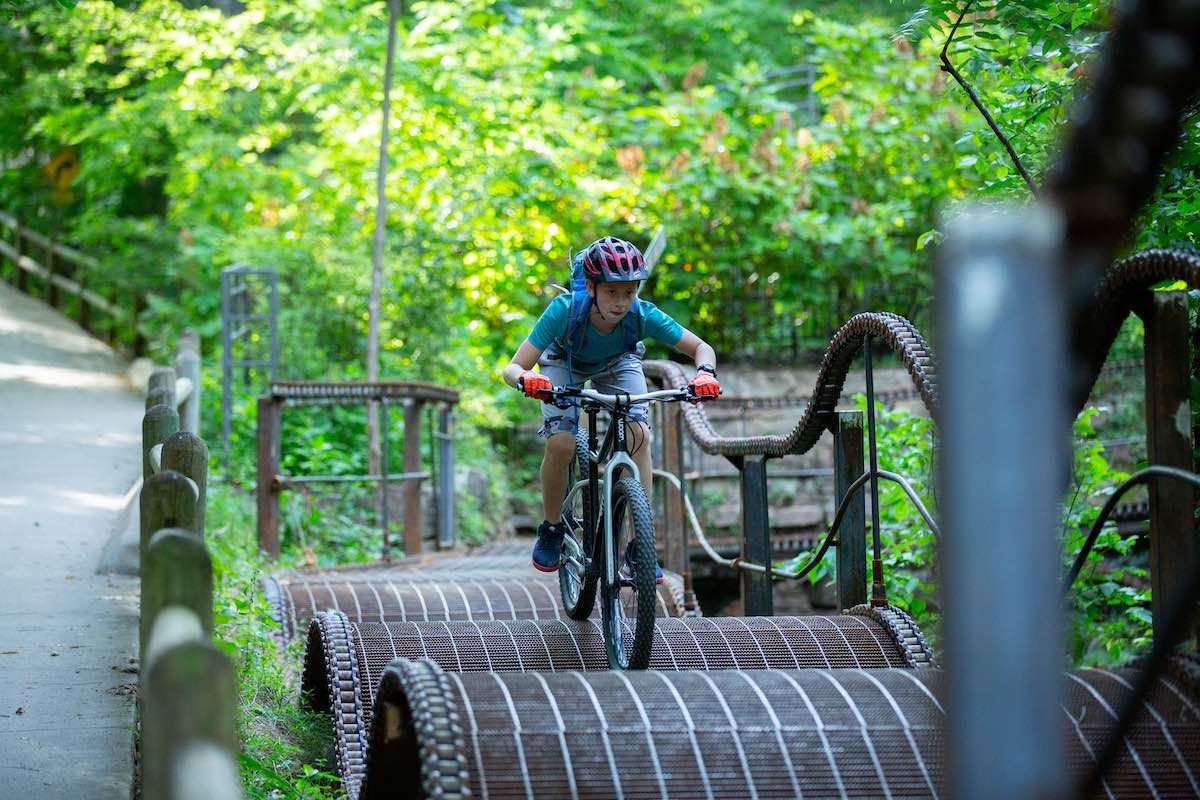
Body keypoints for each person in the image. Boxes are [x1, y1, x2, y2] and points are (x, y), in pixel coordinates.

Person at [501, 236, 720, 574]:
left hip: (618, 362)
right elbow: (513, 367)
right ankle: (552, 528)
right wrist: (526, 379)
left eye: (629, 292)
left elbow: (701, 348)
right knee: (561, 443)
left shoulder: (642, 315)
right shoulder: (563, 311)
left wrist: (705, 373)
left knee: (639, 436)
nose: (621, 302)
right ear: (591, 287)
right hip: (565, 360)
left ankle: (639, 546)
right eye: (612, 292)